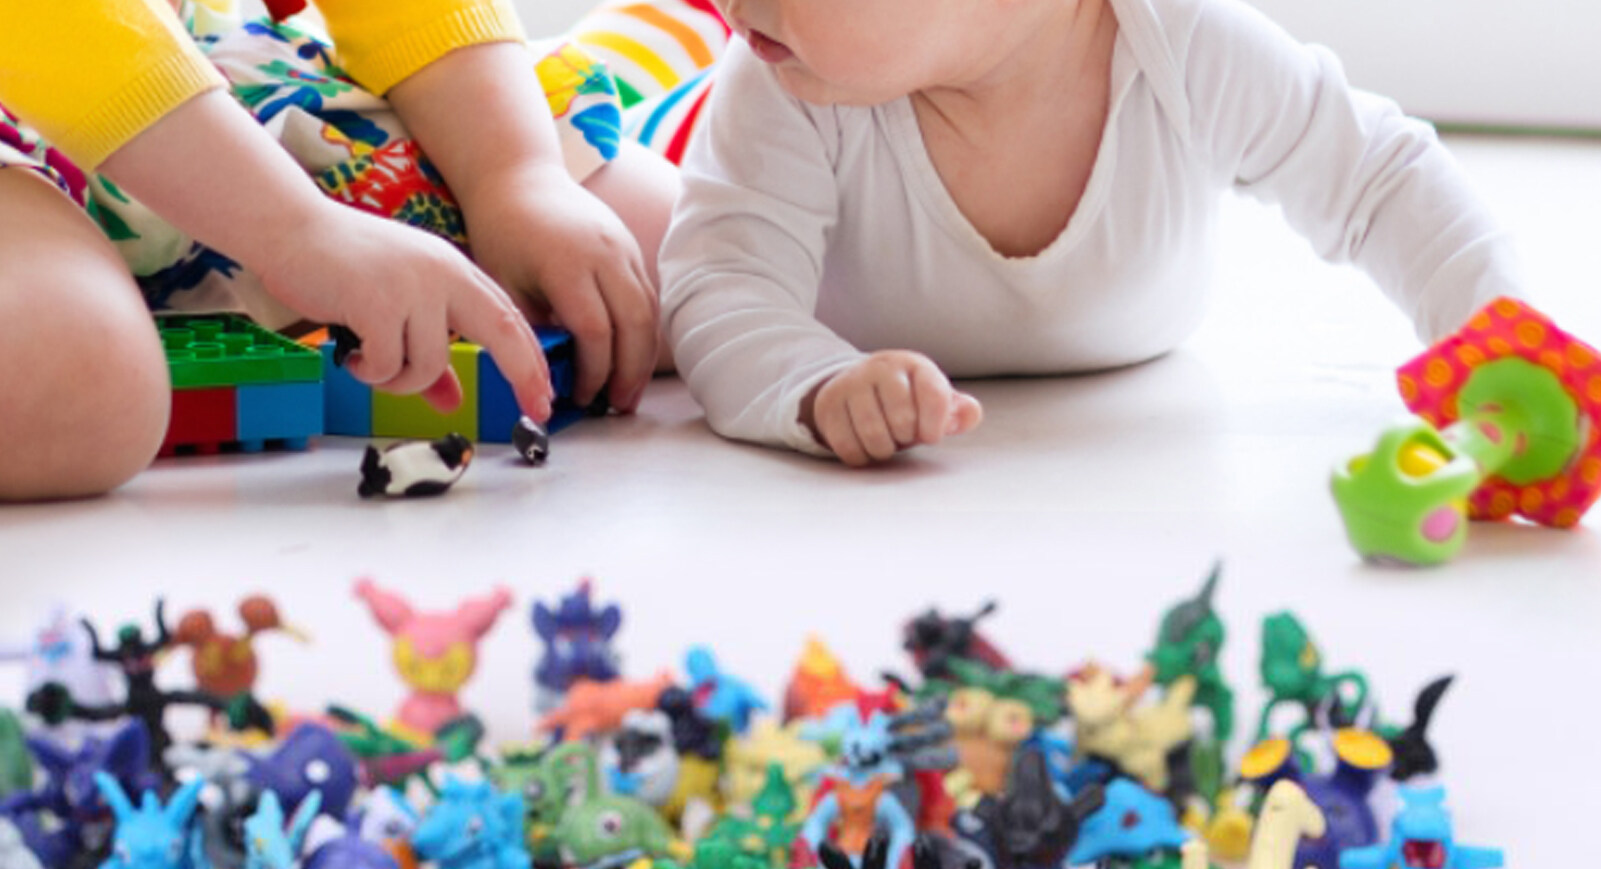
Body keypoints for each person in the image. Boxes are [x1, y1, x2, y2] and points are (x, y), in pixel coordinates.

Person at [658, 0, 1523, 466]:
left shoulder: (1184, 47)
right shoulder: (781, 79)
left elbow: (1380, 177)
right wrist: (814, 386)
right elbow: (722, 285)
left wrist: (1501, 339)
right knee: (638, 207)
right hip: (681, 140)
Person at [0, 0, 680, 500]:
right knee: (75, 384)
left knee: (658, 249)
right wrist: (295, 231)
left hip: (184, 68)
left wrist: (512, 174)